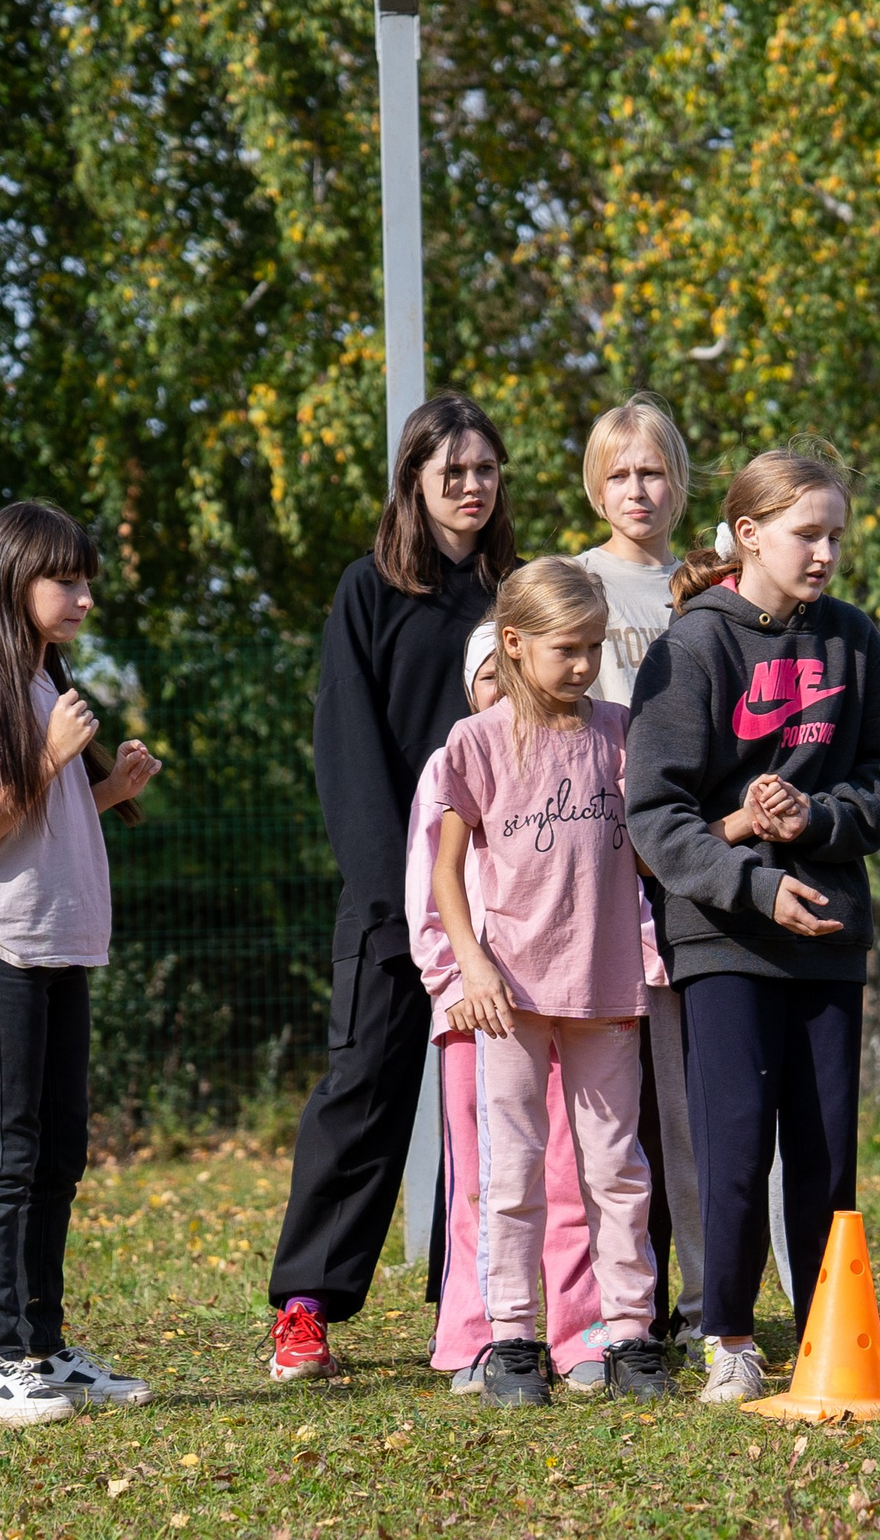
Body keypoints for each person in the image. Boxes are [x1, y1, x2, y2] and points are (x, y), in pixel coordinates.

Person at [624, 445, 880, 1407]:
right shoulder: (692, 647)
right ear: (748, 534)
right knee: (736, 1140)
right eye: (808, 533)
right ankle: (730, 1340)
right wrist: (753, 881)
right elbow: (655, 815)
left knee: (828, 1152)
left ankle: (828, 1344)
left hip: (831, 931)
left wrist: (819, 819)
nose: (827, 552)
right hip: (726, 937)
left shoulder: (854, 638)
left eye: (837, 534)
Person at [268, 392, 518, 1383]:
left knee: (490, 1105)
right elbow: (348, 756)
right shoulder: (366, 590)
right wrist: (397, 900)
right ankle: (304, 1304)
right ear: (414, 479)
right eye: (450, 469)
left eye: (484, 470)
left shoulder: (518, 595)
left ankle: (481, 1303)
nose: (469, 485)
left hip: (504, 903)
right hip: (394, 900)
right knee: (364, 1091)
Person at [0, 500, 162, 1426]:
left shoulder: (38, 679)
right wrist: (50, 753)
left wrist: (103, 789)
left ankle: (42, 1348)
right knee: (8, 1155)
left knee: (59, 1152)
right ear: (13, 577)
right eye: (65, 579)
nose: (83, 596)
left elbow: (30, 827)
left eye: (85, 579)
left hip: (60, 949)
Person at [434, 556, 671, 1408]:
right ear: (514, 643)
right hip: (511, 999)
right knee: (514, 1172)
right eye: (567, 649)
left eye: (594, 648)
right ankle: (512, 1339)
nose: (583, 665)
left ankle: (632, 1334)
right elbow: (447, 869)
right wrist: (472, 963)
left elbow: (651, 842)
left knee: (615, 1168)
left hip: (605, 986)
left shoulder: (619, 729)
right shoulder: (476, 742)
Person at [414, 622, 612, 1395]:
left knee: (568, 1170)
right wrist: (454, 982)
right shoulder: (456, 758)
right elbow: (430, 882)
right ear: (472, 687)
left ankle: (576, 1331)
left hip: (568, 998)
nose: (502, 690)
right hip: (478, 1007)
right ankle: (476, 1336)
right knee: (486, 1178)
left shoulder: (586, 746)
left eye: (510, 675)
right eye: (487, 678)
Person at [571, 395, 713, 1357]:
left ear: (679, 481)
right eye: (619, 473)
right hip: (587, 868)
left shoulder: (710, 585)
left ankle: (709, 1305)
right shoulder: (567, 582)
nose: (637, 489)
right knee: (601, 1110)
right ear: (595, 484)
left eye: (652, 471)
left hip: (690, 862)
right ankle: (612, 1314)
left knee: (688, 1100)